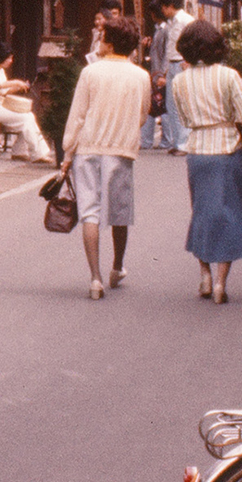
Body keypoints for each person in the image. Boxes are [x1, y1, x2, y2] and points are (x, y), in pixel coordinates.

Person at [173, 19, 242, 303]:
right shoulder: (228, 76)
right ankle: (220, 284)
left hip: (197, 151)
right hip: (227, 150)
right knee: (227, 215)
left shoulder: (180, 80)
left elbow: (184, 119)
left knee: (202, 213)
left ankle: (203, 274)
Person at [60, 19, 148, 299]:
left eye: (102, 37)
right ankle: (117, 266)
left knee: (90, 212)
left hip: (87, 147)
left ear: (109, 43)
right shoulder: (140, 76)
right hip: (120, 150)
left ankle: (95, 279)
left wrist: (67, 151)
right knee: (119, 211)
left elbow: (77, 116)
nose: (98, 40)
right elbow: (143, 115)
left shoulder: (91, 72)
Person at [0, 44, 52, 161]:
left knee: (28, 117)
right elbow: (0, 85)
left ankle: (20, 151)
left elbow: (4, 90)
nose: (11, 61)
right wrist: (17, 82)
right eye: (9, 58)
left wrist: (20, 87)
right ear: (0, 57)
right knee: (26, 119)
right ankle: (37, 153)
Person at [142, 0, 191, 154]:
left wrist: (189, 59)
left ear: (170, 6)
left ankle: (183, 144)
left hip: (181, 63)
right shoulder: (171, 23)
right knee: (171, 105)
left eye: (163, 7)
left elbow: (193, 41)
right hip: (171, 64)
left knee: (180, 104)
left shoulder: (186, 21)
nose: (162, 10)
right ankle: (177, 143)